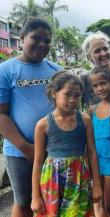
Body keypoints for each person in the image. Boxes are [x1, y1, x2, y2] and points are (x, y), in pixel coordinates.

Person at [0, 18, 62, 217]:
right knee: (24, 201)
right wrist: (27, 148)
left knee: (53, 200)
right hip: (20, 151)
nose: (42, 44)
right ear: (22, 37)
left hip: (54, 150)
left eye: (47, 41)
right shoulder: (6, 70)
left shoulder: (57, 71)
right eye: (36, 38)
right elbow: (1, 115)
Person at [31, 71, 102, 216]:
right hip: (53, 181)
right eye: (67, 94)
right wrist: (35, 196)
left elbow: (92, 153)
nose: (72, 100)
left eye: (77, 95)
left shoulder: (85, 120)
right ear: (54, 93)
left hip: (79, 180)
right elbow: (38, 161)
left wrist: (97, 186)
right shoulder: (43, 125)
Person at [89, 66, 110, 217]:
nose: (99, 88)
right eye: (95, 86)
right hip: (97, 164)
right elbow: (89, 141)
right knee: (102, 204)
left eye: (102, 83)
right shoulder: (92, 110)